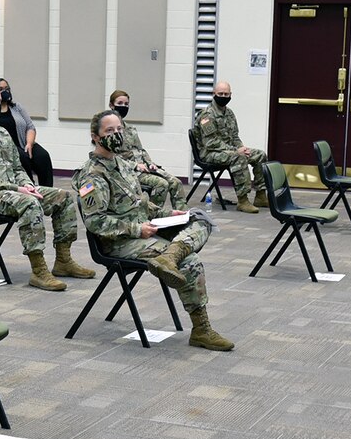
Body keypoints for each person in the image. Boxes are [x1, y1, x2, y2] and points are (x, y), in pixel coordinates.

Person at [74, 111, 234, 350]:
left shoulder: (123, 164)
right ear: (95, 137)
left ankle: (170, 257)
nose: (116, 135)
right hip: (120, 242)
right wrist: (137, 229)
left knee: (200, 220)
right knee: (190, 261)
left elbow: (141, 204)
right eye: (109, 131)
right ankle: (202, 330)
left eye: (119, 130)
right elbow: (95, 222)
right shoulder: (92, 175)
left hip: (146, 230)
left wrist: (170, 215)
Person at [0, 79, 93, 291]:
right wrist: (18, 189)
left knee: (63, 197)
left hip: (12, 191)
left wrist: (28, 185)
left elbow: (18, 168)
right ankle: (38, 271)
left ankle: (63, 260)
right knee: (29, 203)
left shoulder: (1, 132)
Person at [192, 81, 266, 213]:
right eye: (220, 93)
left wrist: (242, 148)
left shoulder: (229, 113)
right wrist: (236, 151)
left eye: (226, 94)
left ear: (231, 95)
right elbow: (211, 143)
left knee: (260, 155)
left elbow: (235, 137)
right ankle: (243, 201)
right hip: (209, 153)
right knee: (239, 157)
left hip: (229, 151)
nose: (223, 96)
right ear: (213, 94)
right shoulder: (206, 115)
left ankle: (261, 195)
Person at [107, 89, 182, 211]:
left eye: (126, 104)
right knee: (161, 184)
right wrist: (135, 165)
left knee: (176, 182)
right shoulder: (109, 130)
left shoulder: (130, 129)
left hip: (144, 168)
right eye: (119, 103)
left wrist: (150, 163)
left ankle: (182, 216)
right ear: (111, 105)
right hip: (128, 171)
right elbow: (111, 157)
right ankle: (152, 217)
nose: (123, 107)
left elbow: (141, 150)